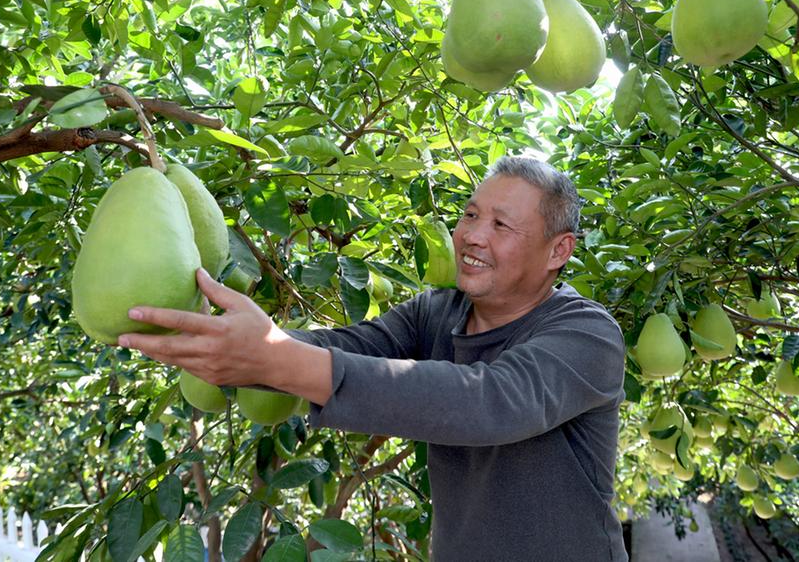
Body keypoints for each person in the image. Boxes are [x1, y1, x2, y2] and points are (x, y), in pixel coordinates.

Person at [118, 156, 628, 561]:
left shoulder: (586, 334)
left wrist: (275, 359)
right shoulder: (436, 313)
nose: (473, 235)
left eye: (501, 224)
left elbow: (488, 401)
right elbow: (347, 349)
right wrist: (239, 344)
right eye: (471, 214)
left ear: (558, 250)